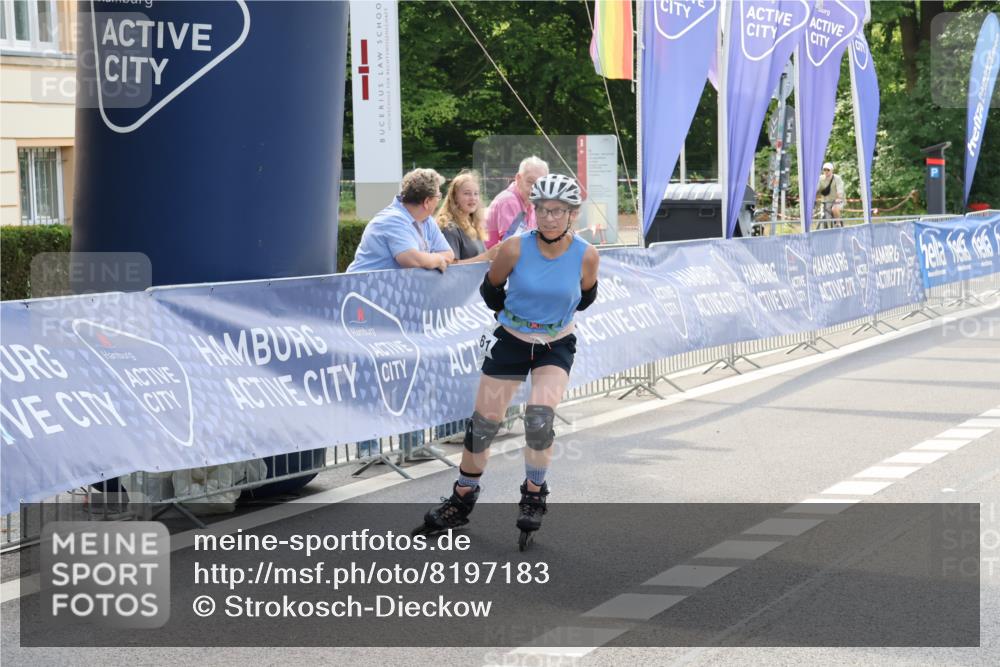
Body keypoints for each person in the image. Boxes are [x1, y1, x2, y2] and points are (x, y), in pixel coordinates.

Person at [414, 174, 600, 550]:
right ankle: (462, 498)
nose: (549, 218)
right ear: (535, 210)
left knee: (539, 417)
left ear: (571, 215)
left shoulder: (586, 254)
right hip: (512, 340)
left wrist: (547, 325)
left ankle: (534, 494)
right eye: (543, 210)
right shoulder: (514, 248)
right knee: (484, 424)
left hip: (555, 344)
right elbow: (491, 290)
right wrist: (520, 323)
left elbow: (585, 298)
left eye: (558, 211)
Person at [347, 168, 455, 273]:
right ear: (427, 202)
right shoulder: (392, 220)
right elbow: (411, 259)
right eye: (438, 196)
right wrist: (437, 260)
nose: (438, 200)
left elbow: (449, 254)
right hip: (362, 288)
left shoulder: (427, 220)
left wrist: (429, 260)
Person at [484, 156, 549, 249]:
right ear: (518, 178)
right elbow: (511, 246)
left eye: (540, 184)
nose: (535, 188)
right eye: (530, 181)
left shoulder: (530, 203)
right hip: (496, 261)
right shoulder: (509, 201)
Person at [436, 170, 498, 264]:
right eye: (467, 193)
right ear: (455, 197)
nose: (473, 198)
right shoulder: (449, 228)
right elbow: (450, 266)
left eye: (476, 193)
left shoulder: (473, 224)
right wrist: (486, 257)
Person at [816, 161, 846, 229]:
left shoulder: (837, 178)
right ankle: (823, 229)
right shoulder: (820, 178)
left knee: (834, 209)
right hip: (826, 201)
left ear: (832, 170)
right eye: (824, 170)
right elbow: (816, 189)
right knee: (823, 215)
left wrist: (838, 198)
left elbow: (840, 189)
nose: (826, 171)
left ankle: (838, 224)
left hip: (837, 200)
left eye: (828, 170)